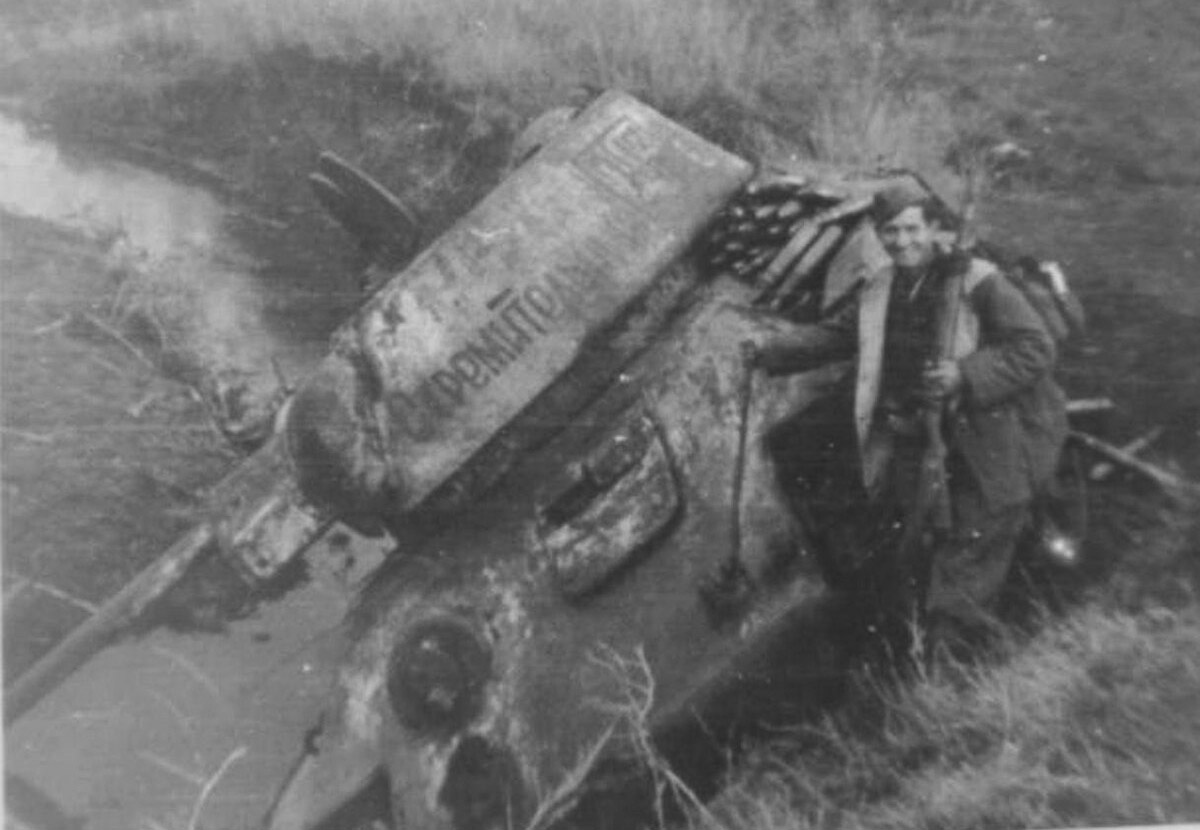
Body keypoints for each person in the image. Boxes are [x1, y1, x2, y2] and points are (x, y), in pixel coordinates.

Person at [751, 179, 1068, 654]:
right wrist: (767, 350)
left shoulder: (978, 280)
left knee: (967, 560)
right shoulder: (882, 288)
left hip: (989, 441)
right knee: (912, 554)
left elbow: (1035, 346)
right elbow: (837, 335)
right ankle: (922, 652)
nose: (903, 241)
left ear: (934, 229)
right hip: (921, 442)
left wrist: (965, 374)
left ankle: (957, 671)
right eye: (891, 232)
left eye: (912, 229)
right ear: (878, 235)